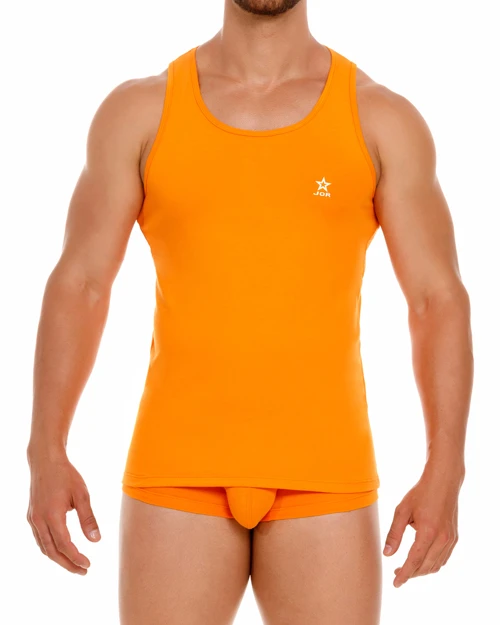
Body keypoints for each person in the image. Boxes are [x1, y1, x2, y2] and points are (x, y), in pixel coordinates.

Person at [26, 1, 473, 623]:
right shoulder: (141, 112)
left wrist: (446, 469)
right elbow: (81, 284)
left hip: (326, 471)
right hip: (177, 467)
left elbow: (436, 299)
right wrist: (46, 451)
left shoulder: (379, 118)